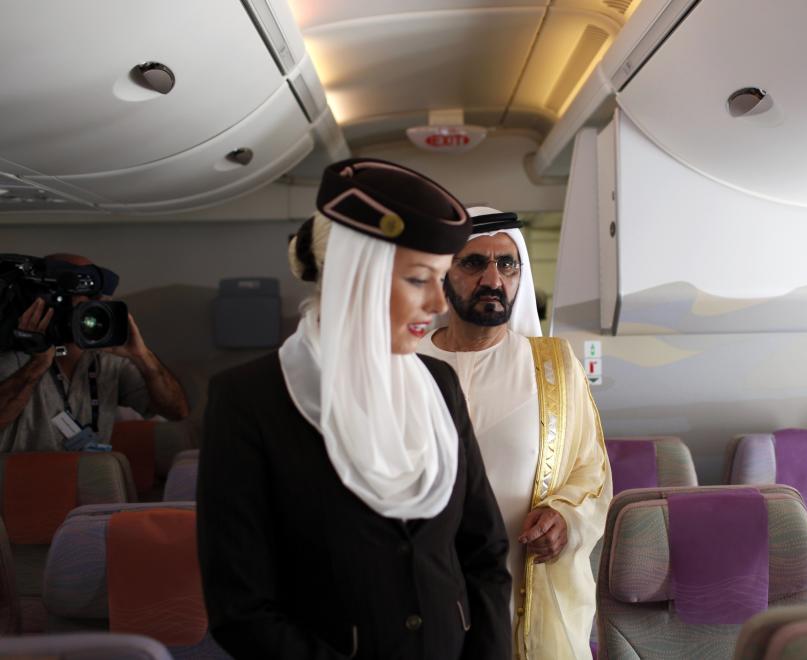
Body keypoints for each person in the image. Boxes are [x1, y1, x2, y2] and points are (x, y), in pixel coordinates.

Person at [197, 159, 512, 660]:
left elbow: (484, 553)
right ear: (355, 277)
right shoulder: (249, 400)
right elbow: (241, 608)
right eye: (417, 279)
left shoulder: (438, 385)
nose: (439, 302)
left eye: (440, 278)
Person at [418, 207, 611, 660]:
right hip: (423, 587)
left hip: (524, 585)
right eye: (473, 263)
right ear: (442, 276)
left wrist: (564, 518)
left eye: (507, 264)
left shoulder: (554, 366)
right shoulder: (404, 364)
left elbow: (591, 471)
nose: (493, 277)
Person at [0, 254, 190, 452]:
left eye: (96, 295)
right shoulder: (13, 355)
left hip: (86, 479)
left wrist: (142, 356)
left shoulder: (108, 359)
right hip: (18, 478)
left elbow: (177, 411)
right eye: (78, 292)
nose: (93, 303)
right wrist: (37, 364)